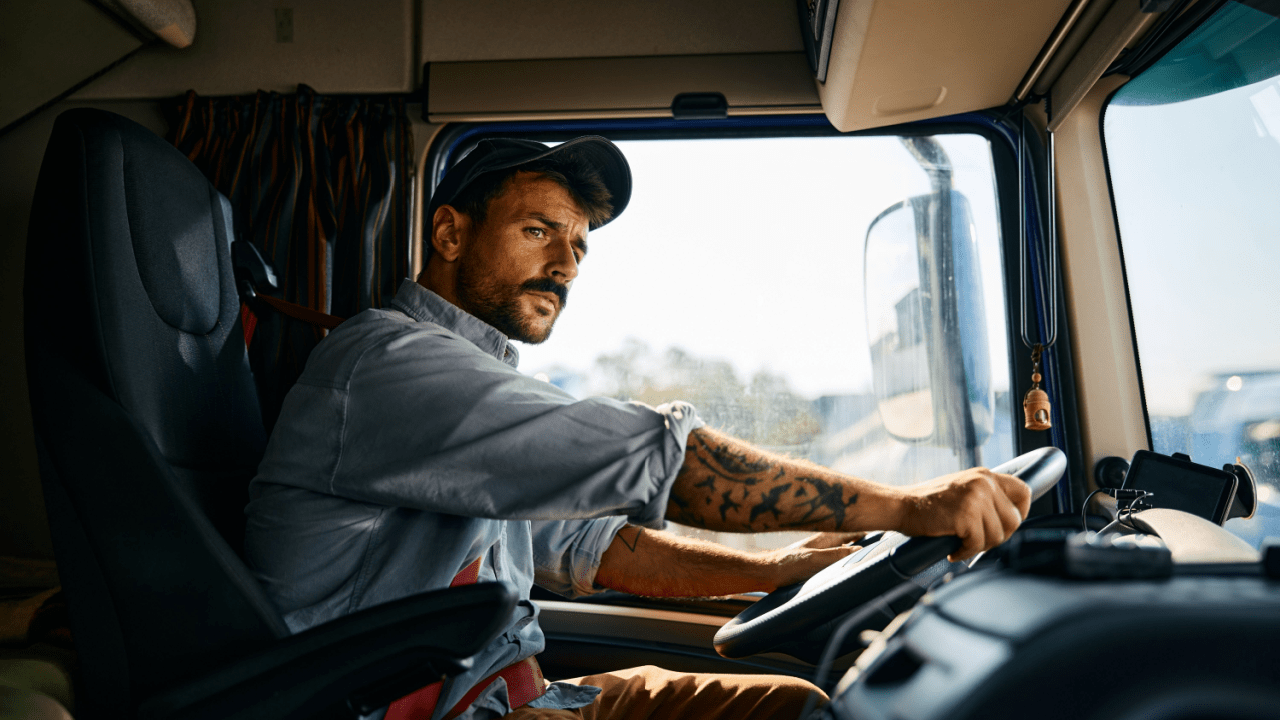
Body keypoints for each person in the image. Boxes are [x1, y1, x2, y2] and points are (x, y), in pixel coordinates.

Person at [244, 136, 1031, 720]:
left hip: (525, 699)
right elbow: (670, 467)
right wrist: (907, 507)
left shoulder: (471, 388)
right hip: (421, 712)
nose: (567, 263)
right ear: (449, 235)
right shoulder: (388, 366)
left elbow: (599, 546)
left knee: (797, 706)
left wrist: (779, 568)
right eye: (538, 230)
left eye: (579, 245)